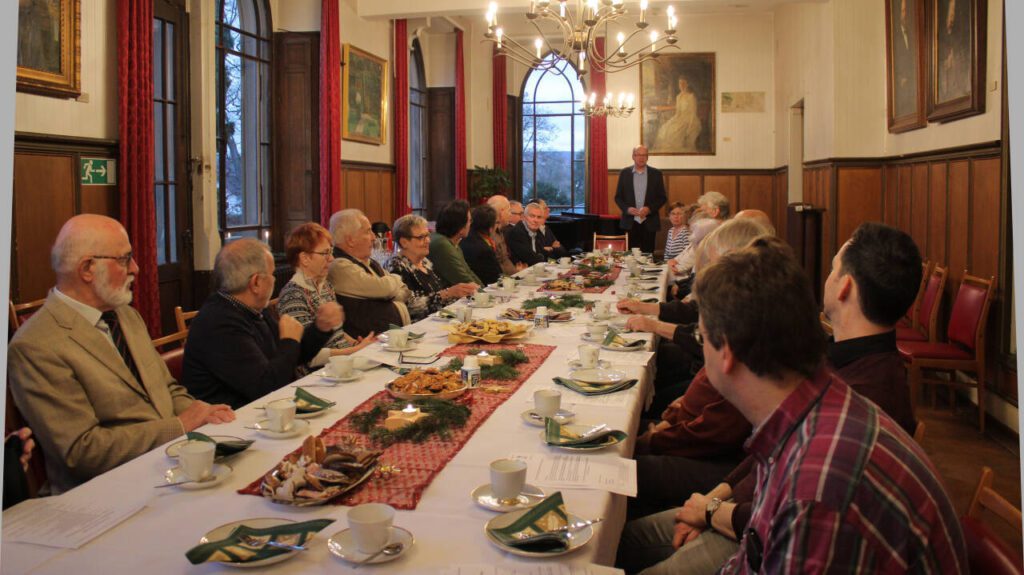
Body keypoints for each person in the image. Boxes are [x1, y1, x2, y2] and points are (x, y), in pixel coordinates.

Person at [618, 224, 926, 575]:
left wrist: (712, 512)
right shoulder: (819, 392)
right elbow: (765, 474)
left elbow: (782, 527)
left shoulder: (821, 477)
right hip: (748, 522)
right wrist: (715, 505)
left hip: (754, 531)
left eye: (703, 337)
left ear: (727, 353)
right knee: (622, 541)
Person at [7, 214, 235, 493]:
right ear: (88, 268)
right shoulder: (36, 345)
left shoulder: (126, 316)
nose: (136, 268)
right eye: (125, 259)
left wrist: (204, 414)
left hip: (170, 469)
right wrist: (180, 425)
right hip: (106, 494)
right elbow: (81, 451)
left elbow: (166, 388)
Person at [183, 238, 339, 409]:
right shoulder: (219, 324)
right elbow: (266, 386)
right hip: (232, 420)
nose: (274, 280)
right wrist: (290, 341)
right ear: (256, 282)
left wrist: (320, 328)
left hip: (265, 409)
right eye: (272, 274)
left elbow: (291, 359)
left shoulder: (253, 309)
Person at [276, 223, 376, 377]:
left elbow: (338, 332)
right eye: (325, 253)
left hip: (341, 364)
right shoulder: (293, 295)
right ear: (305, 259)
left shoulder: (325, 286)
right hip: (319, 375)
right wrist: (356, 350)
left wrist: (357, 343)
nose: (332, 259)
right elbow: (308, 356)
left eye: (331, 252)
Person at [328, 209, 412, 337]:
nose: (374, 238)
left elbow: (404, 290)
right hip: (366, 344)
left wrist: (388, 292)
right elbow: (386, 289)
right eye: (368, 231)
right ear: (350, 240)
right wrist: (393, 283)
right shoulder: (340, 266)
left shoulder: (370, 262)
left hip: (389, 338)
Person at [389, 214, 477, 321]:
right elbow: (409, 307)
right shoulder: (396, 266)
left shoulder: (425, 263)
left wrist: (462, 291)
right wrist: (448, 293)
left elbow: (438, 296)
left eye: (428, 235)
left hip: (438, 321)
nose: (428, 241)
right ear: (404, 242)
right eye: (421, 237)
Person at [615, 145, 667, 254]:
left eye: (644, 155)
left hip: (649, 222)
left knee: (648, 256)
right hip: (630, 222)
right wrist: (627, 209)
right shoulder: (624, 173)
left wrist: (649, 208)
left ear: (647, 157)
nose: (641, 158)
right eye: (638, 155)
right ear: (633, 156)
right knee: (630, 256)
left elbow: (662, 198)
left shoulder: (656, 174)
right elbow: (618, 197)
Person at [669, 191, 729, 278]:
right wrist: (675, 261)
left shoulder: (712, 229)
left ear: (715, 211)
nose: (700, 214)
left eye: (704, 211)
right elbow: (691, 248)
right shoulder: (707, 227)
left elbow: (696, 253)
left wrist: (677, 267)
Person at [429, 200, 483, 286]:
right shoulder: (442, 244)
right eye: (469, 221)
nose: (470, 224)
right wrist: (485, 296)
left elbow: (469, 273)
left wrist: (485, 293)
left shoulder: (453, 244)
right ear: (460, 226)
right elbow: (463, 279)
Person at [653, 77, 701, 153]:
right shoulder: (678, 97)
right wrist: (673, 121)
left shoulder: (691, 96)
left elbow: (693, 113)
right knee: (665, 128)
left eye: (683, 83)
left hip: (690, 119)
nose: (681, 85)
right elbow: (678, 113)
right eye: (680, 83)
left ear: (687, 84)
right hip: (680, 118)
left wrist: (690, 126)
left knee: (674, 132)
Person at [461, 204, 504, 286]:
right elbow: (496, 277)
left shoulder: (467, 236)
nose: (497, 227)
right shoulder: (483, 249)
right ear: (490, 227)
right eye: (496, 223)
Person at [486, 194, 523, 276]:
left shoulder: (500, 231)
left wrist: (518, 275)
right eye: (509, 211)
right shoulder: (489, 234)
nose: (510, 214)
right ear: (501, 212)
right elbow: (497, 265)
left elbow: (505, 260)